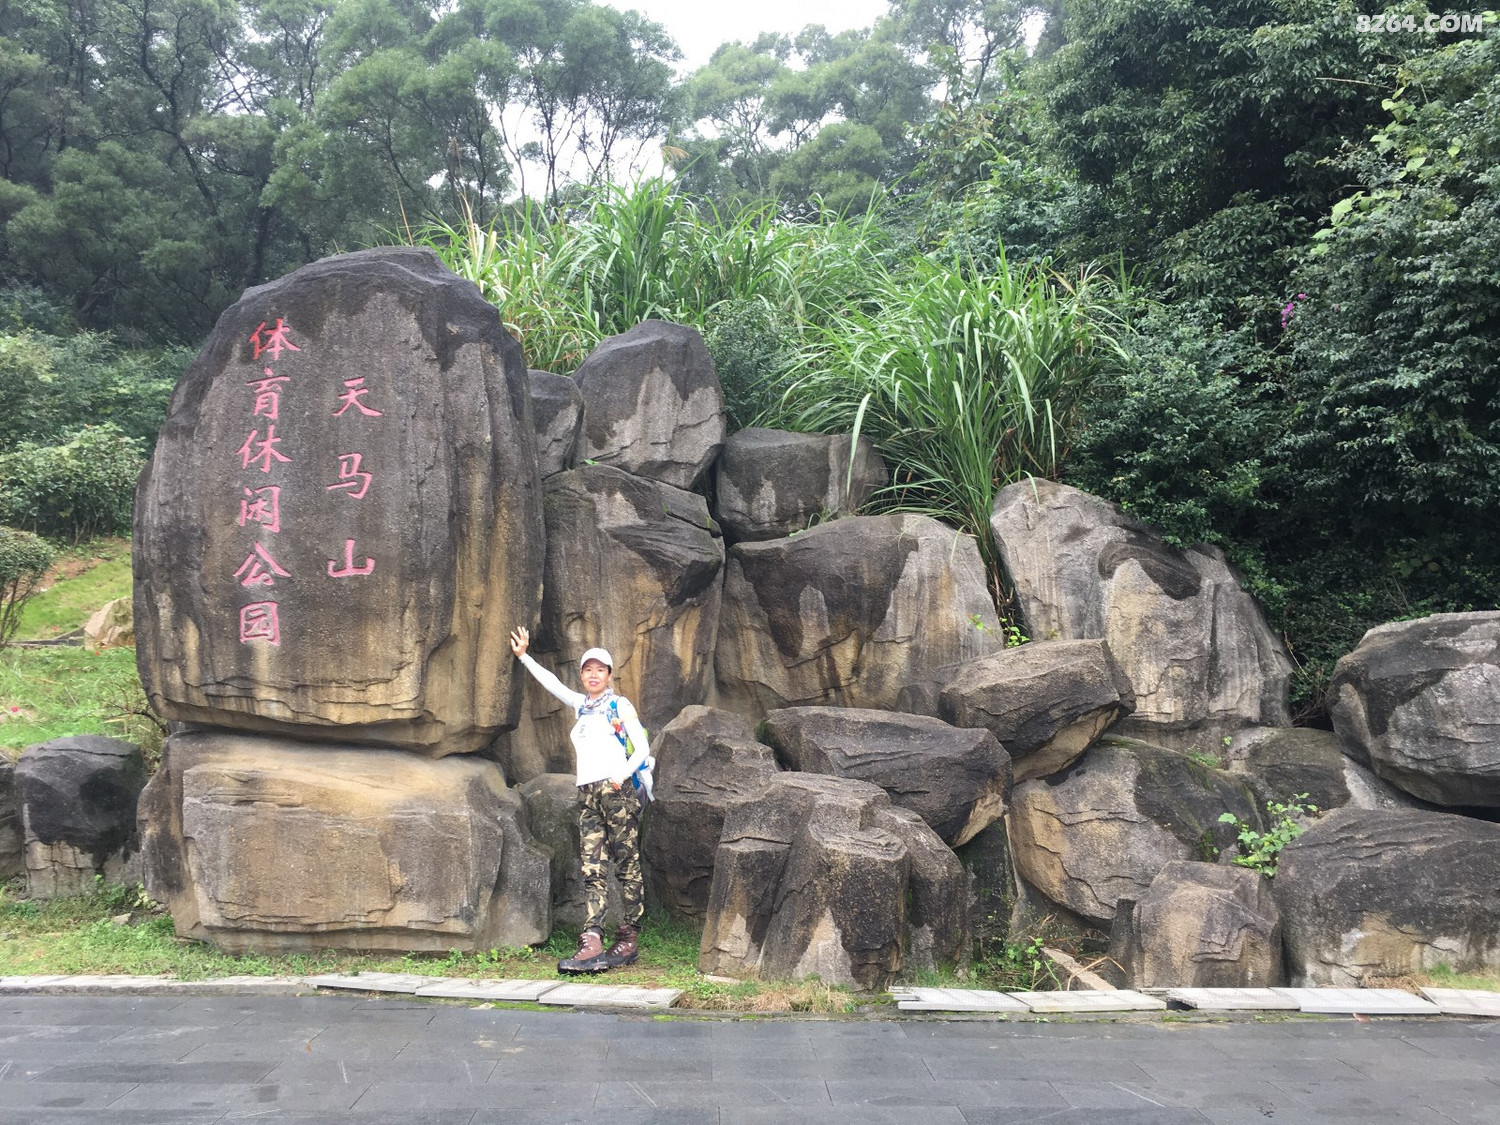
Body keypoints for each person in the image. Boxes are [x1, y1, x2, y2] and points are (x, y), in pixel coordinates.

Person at [509, 624, 651, 974]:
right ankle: (592, 939)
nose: (593, 674)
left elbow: (642, 749)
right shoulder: (582, 707)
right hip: (587, 794)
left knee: (627, 864)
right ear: (582, 674)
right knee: (592, 866)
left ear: (609, 675)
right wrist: (524, 657)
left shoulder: (618, 705)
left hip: (617, 792)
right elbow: (553, 685)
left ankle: (629, 937)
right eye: (588, 669)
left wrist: (620, 777)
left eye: (600, 669)